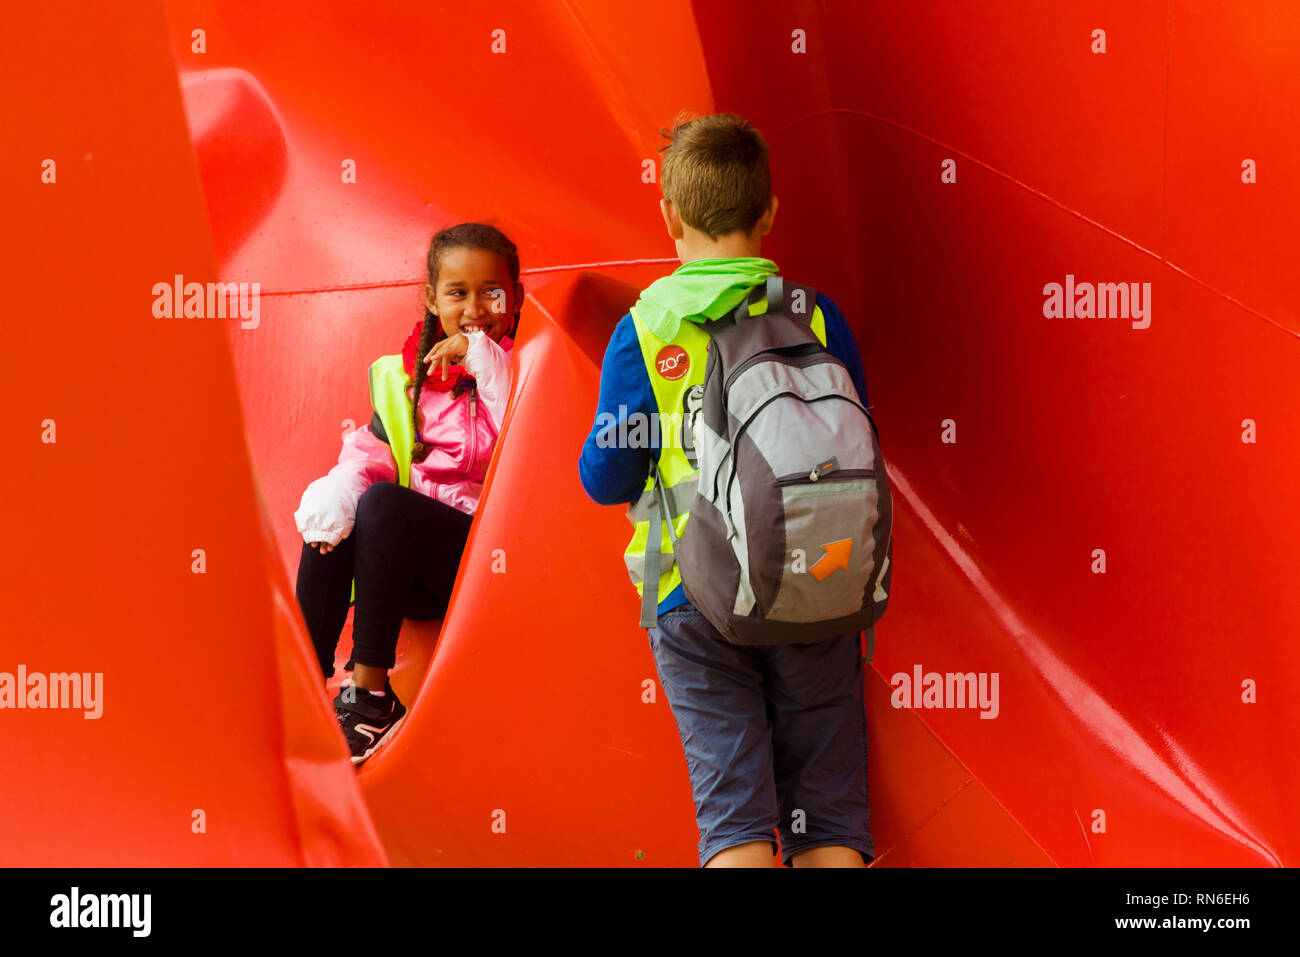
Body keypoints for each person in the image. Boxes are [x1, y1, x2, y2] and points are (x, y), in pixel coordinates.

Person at [579, 113, 875, 867]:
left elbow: (606, 478)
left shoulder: (646, 328)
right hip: (821, 579)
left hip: (687, 593)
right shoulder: (815, 313)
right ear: (770, 211)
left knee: (734, 816)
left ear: (669, 215)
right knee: (829, 813)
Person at [294, 222, 522, 765]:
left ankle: (372, 696)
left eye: (491, 292)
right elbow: (372, 457)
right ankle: (301, 692)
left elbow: (521, 442)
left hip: (486, 562)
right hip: (410, 572)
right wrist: (338, 492)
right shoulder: (402, 378)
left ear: (515, 296)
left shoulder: (526, 363)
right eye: (457, 293)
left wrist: (482, 360)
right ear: (430, 299)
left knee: (382, 506)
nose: (475, 308)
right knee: (335, 513)